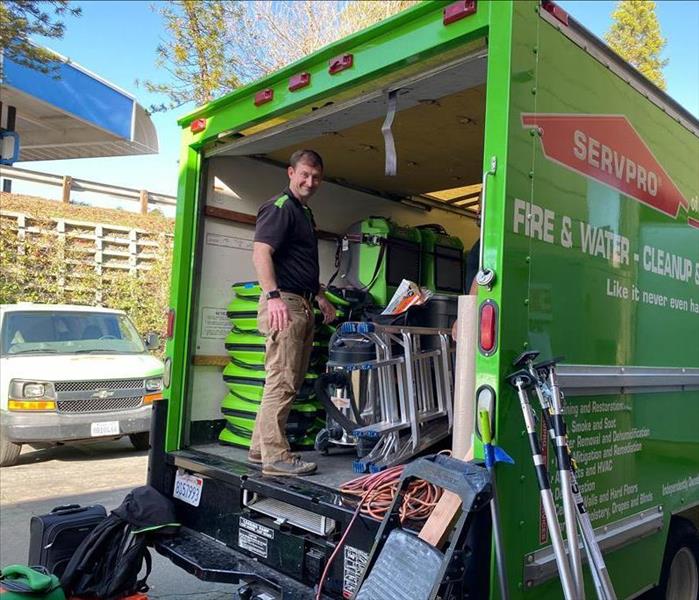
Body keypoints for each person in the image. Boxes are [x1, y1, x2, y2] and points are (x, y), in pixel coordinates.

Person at [248, 149, 336, 476]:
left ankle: (260, 449)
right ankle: (276, 457)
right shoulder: (280, 208)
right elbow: (261, 253)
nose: (310, 182)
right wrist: (273, 297)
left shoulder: (304, 212)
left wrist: (321, 297)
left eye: (316, 177)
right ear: (291, 172)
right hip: (284, 303)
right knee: (283, 381)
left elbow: (299, 265)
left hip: (301, 302)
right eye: (304, 174)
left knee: (285, 380)